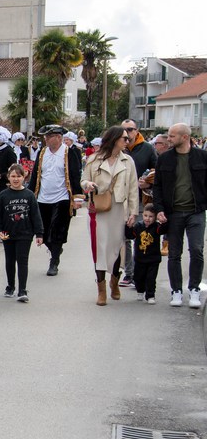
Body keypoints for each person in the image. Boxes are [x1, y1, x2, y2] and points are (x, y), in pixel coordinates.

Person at [80, 126, 139, 306]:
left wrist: (133, 212)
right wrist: (88, 184)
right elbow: (83, 180)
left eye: (128, 138)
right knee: (99, 248)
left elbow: (133, 188)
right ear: (114, 139)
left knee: (116, 247)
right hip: (99, 208)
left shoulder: (128, 161)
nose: (127, 141)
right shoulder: (94, 159)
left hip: (119, 208)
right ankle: (101, 288)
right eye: (124, 138)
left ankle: (115, 280)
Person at [153, 123, 207, 308]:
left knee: (197, 250)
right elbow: (157, 186)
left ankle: (194, 289)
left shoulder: (202, 157)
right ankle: (176, 291)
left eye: (172, 136)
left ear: (185, 137)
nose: (168, 139)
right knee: (174, 253)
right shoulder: (164, 159)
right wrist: (159, 209)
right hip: (173, 213)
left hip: (196, 212)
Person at [29, 124, 84, 276]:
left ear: (59, 137)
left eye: (49, 136)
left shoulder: (69, 152)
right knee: (44, 231)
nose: (46, 139)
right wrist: (29, 195)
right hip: (43, 197)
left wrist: (77, 198)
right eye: (45, 136)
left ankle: (54, 262)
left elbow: (75, 175)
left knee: (58, 231)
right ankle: (55, 249)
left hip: (62, 198)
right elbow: (35, 175)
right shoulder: (42, 152)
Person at [0, 164, 44, 303]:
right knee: (10, 261)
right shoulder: (3, 195)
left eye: (19, 176)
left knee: (22, 261)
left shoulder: (29, 195)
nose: (16, 179)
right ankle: (10, 286)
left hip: (25, 233)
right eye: (13, 176)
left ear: (24, 177)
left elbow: (36, 215)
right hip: (7, 233)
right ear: (8, 177)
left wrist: (39, 234)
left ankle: (22, 290)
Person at [120, 118, 158, 288]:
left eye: (130, 129)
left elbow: (157, 171)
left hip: (141, 199)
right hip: (121, 200)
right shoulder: (118, 148)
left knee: (141, 235)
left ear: (137, 131)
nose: (127, 133)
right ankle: (129, 273)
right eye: (124, 130)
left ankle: (140, 274)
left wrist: (148, 183)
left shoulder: (147, 148)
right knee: (125, 237)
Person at [125, 204, 168, 305]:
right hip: (140, 259)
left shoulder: (156, 227)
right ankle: (140, 291)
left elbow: (164, 230)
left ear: (155, 217)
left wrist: (164, 222)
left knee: (151, 278)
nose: (147, 218)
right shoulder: (138, 226)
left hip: (153, 259)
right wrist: (128, 227)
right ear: (142, 215)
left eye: (151, 216)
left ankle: (150, 295)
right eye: (145, 215)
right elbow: (130, 235)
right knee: (138, 277)